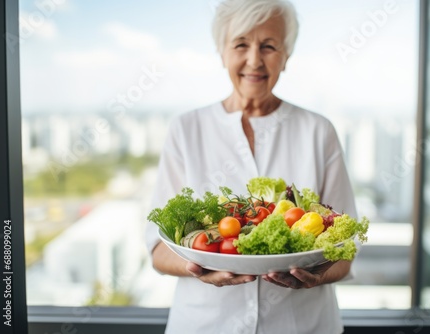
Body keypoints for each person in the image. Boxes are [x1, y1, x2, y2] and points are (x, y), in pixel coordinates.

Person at [145, 0, 357, 333]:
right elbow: (158, 247)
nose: (254, 60)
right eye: (241, 44)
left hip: (301, 324)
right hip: (206, 324)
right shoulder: (186, 129)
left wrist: (317, 276)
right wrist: (199, 267)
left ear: (286, 56)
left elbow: (346, 247)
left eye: (269, 46)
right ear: (222, 51)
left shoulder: (318, 131)